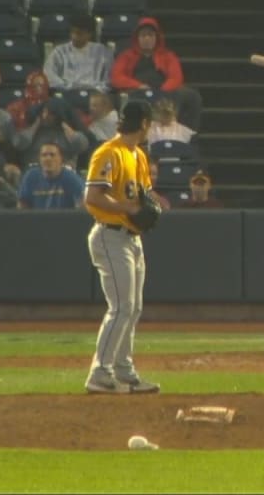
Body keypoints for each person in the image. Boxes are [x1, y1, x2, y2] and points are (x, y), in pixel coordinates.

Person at [83, 100, 162, 394]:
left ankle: (123, 370)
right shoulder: (108, 153)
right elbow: (92, 197)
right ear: (144, 124)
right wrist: (127, 209)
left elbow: (142, 196)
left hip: (131, 239)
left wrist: (145, 209)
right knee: (121, 307)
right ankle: (99, 372)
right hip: (109, 235)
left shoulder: (138, 155)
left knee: (133, 307)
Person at [110, 16, 203, 131]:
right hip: (136, 91)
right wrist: (139, 86)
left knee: (192, 96)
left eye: (150, 35)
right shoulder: (126, 56)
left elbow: (176, 77)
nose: (147, 39)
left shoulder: (168, 55)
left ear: (156, 38)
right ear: (137, 38)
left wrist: (162, 92)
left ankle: (188, 135)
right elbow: (116, 78)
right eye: (143, 35)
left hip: (164, 91)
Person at [44, 13, 114, 93]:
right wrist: (68, 87)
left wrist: (96, 90)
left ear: (89, 34)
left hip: (95, 94)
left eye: (79, 33)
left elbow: (109, 79)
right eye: (72, 32)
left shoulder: (102, 52)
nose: (73, 36)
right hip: (67, 93)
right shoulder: (60, 51)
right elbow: (49, 75)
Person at [18, 142, 85, 210]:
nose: (48, 158)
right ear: (39, 159)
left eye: (52, 155)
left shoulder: (71, 178)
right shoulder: (30, 177)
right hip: (37, 220)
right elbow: (22, 204)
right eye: (44, 155)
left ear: (61, 158)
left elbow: (83, 202)